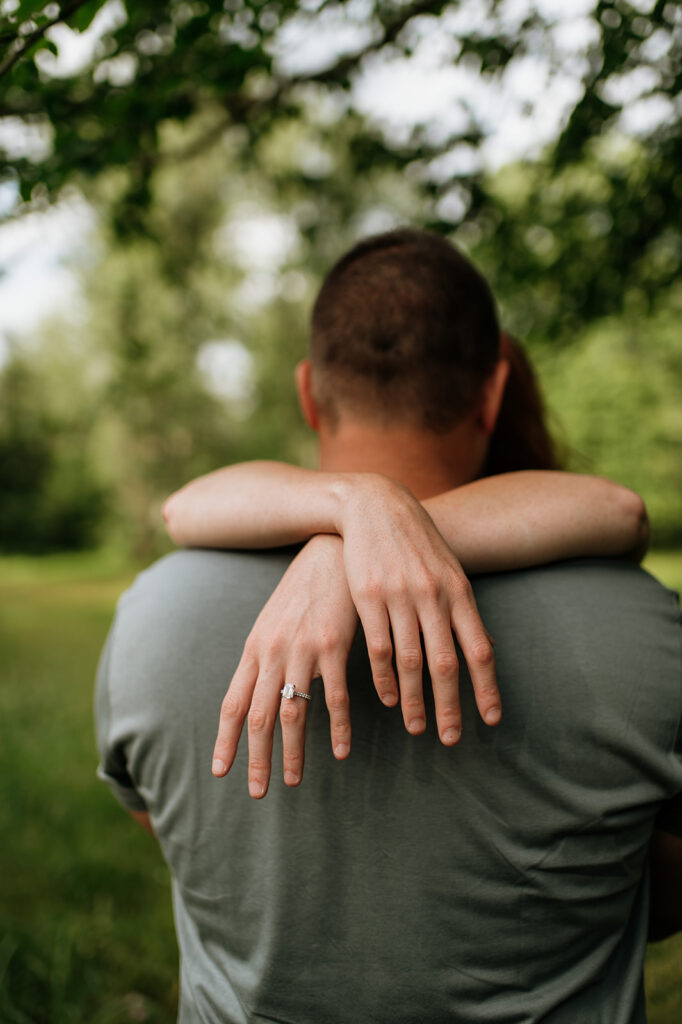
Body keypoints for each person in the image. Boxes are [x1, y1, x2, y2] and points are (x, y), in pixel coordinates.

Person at [96, 229, 682, 1023]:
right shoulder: (647, 623)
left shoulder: (150, 618)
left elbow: (176, 845)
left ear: (309, 392)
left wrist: (345, 542)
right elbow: (660, 901)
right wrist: (360, 518)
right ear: (494, 390)